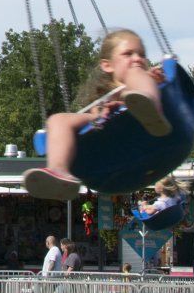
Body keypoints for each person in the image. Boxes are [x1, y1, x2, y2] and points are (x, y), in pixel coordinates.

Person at [23, 29, 170, 199]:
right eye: (128, 54)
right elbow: (96, 115)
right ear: (107, 65)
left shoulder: (145, 76)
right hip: (107, 134)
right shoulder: (103, 95)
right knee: (57, 119)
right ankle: (58, 170)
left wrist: (156, 81)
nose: (137, 58)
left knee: (136, 74)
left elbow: (168, 88)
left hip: (142, 128)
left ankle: (151, 108)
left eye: (141, 54)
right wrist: (103, 109)